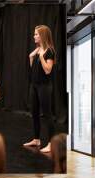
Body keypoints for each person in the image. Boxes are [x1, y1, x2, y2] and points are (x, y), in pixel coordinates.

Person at [23, 25, 57, 153]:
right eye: (34, 34)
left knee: (47, 115)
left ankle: (51, 143)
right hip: (35, 85)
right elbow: (33, 71)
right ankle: (36, 139)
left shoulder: (50, 51)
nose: (34, 36)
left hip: (45, 86)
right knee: (35, 113)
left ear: (42, 35)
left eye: (36, 34)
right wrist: (31, 57)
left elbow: (48, 70)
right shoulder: (38, 50)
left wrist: (42, 57)